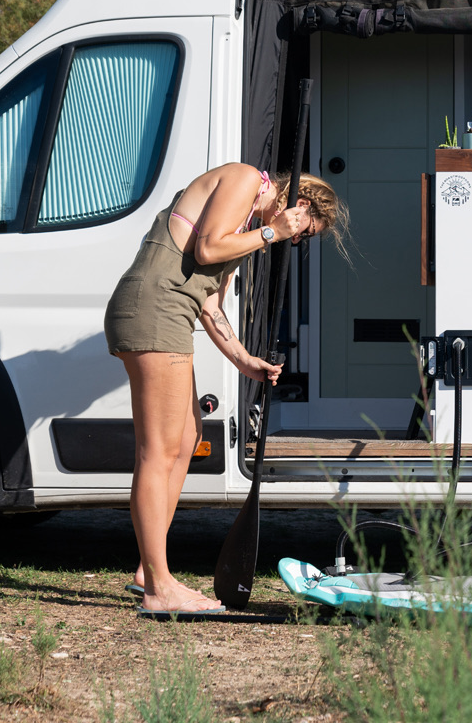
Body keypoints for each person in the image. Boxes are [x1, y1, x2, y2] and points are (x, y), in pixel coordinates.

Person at [104, 163, 347, 614]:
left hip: (171, 313)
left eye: (302, 236)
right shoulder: (244, 180)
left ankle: (147, 570)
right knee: (158, 450)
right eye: (303, 230)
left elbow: (210, 303)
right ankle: (160, 588)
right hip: (153, 307)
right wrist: (272, 233)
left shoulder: (253, 224)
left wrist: (244, 360)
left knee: (186, 439)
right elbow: (209, 246)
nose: (296, 239)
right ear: (299, 204)